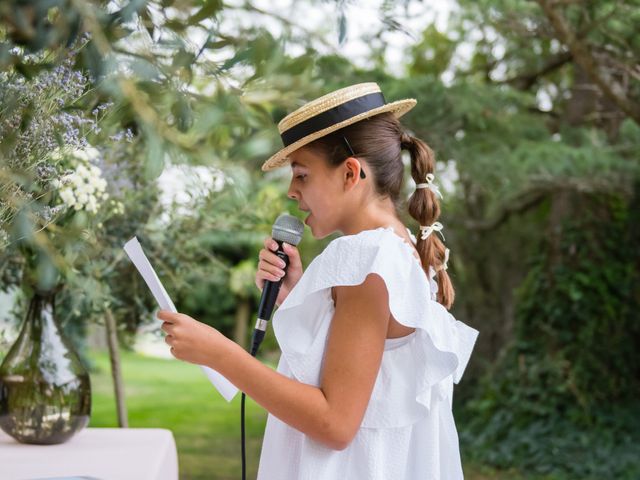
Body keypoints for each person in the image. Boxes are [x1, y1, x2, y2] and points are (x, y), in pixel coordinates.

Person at [157, 82, 480, 479]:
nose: (292, 192)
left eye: (302, 175)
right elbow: (369, 381)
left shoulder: (365, 259)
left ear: (350, 173)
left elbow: (335, 424)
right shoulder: (401, 249)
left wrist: (220, 353)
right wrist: (295, 298)